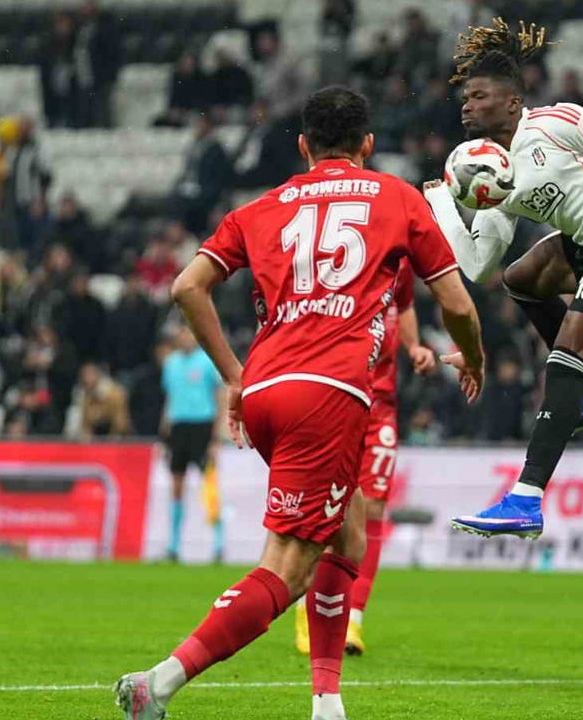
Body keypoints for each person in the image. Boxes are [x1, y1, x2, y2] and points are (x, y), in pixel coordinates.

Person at [114, 86, 485, 720]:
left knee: (348, 535)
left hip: (263, 391)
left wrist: (233, 375)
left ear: (302, 146)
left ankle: (327, 700)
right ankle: (162, 682)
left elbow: (187, 286)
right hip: (330, 394)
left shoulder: (260, 208)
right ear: (367, 145)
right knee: (287, 568)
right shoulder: (397, 197)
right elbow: (456, 303)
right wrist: (473, 359)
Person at [424, 19, 583, 539]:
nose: (466, 105)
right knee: (519, 279)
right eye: (464, 97)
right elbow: (479, 266)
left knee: (562, 357)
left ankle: (525, 499)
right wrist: (440, 206)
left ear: (513, 101)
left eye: (479, 95)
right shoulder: (493, 172)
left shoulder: (552, 124)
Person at [293, 260, 436, 656]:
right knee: (330, 509)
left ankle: (352, 620)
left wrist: (414, 345)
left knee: (373, 507)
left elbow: (403, 304)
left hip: (382, 404)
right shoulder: (344, 260)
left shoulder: (402, 262)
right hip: (336, 394)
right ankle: (312, 612)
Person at [160, 325, 225, 564]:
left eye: (189, 333)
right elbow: (169, 399)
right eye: (182, 333)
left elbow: (219, 396)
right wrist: (164, 434)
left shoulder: (206, 362)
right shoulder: (171, 364)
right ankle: (173, 545)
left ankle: (219, 543)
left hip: (202, 426)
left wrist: (216, 436)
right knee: (176, 485)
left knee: (208, 485)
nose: (185, 337)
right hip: (178, 427)